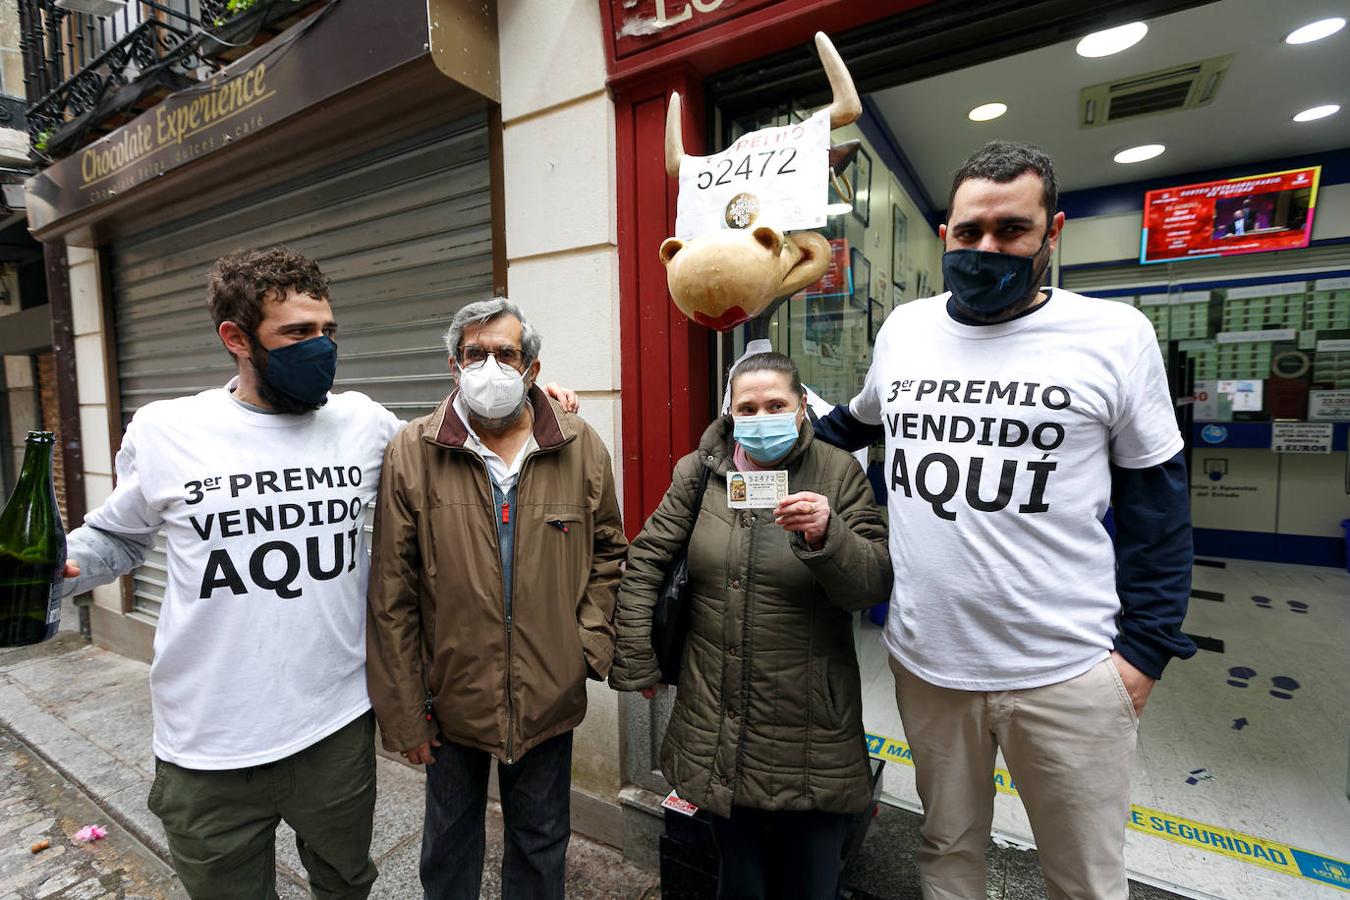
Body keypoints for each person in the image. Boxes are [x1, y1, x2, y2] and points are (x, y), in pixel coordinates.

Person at [58, 248, 578, 899]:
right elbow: (113, 539)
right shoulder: (168, 430)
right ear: (236, 338)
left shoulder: (360, 422)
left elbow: (447, 446)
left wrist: (532, 403)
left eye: (328, 330)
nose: (322, 348)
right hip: (209, 747)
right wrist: (57, 573)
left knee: (345, 886)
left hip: (334, 733)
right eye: (298, 334)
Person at [813, 141, 1195, 900]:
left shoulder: (1115, 337)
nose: (986, 249)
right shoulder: (907, 332)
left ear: (1053, 233)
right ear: (946, 233)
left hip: (1066, 672)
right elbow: (849, 427)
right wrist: (750, 423)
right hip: (928, 666)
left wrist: (1143, 657)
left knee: (1083, 876)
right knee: (946, 852)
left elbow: (1160, 510)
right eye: (968, 232)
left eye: (1011, 231)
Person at [365, 297, 627, 899]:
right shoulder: (413, 450)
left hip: (546, 692)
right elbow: (392, 593)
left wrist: (584, 645)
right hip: (450, 697)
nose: (489, 366)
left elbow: (610, 551)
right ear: (455, 367)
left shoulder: (578, 444)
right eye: (474, 354)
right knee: (450, 844)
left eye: (505, 353)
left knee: (541, 845)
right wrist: (405, 712)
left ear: (531, 367)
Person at [609, 351, 892, 899]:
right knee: (738, 881)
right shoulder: (701, 472)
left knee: (811, 882)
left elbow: (873, 582)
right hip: (718, 718)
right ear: (730, 413)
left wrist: (827, 537)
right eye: (748, 407)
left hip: (808, 723)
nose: (762, 417)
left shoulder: (839, 471)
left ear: (802, 406)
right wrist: (636, 658)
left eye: (776, 405)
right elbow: (646, 562)